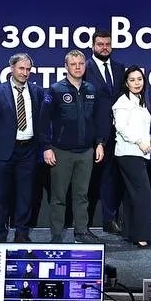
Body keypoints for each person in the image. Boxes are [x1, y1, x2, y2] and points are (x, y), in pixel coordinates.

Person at [40, 50, 106, 244]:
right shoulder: (55, 90)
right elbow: (43, 121)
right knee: (58, 197)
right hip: (61, 152)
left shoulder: (91, 89)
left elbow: (97, 120)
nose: (78, 67)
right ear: (66, 66)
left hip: (86, 152)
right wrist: (46, 147)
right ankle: (57, 235)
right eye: (73, 64)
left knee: (82, 195)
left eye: (81, 64)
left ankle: (81, 232)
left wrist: (99, 143)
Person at [0, 53, 41, 243]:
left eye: (28, 69)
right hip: (4, 152)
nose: (25, 73)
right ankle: (0, 238)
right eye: (21, 68)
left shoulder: (36, 91)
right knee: (1, 197)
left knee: (25, 196)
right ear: (12, 69)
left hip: (28, 151)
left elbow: (40, 121)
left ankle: (22, 235)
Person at [84, 28, 125, 235]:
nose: (104, 48)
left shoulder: (119, 68)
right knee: (88, 181)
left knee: (111, 178)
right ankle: (84, 224)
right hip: (91, 134)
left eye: (108, 44)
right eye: (100, 44)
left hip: (116, 134)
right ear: (93, 46)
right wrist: (96, 138)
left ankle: (109, 219)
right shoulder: (85, 68)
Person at [111, 65, 151, 248]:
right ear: (126, 83)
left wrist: (149, 138)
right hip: (129, 153)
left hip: (140, 153)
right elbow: (121, 128)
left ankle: (130, 232)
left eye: (139, 79)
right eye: (132, 80)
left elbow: (140, 126)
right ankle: (142, 235)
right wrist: (139, 141)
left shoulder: (140, 101)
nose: (137, 83)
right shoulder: (122, 103)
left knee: (132, 195)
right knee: (143, 195)